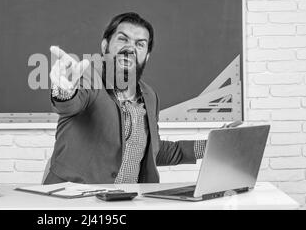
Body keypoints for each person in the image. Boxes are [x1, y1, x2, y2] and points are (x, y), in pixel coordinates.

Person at [44, 12, 207, 184]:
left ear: (147, 56)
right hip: (77, 200)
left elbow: (152, 151)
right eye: (123, 39)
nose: (130, 48)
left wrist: (213, 144)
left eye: (140, 44)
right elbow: (69, 105)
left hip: (129, 201)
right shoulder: (90, 77)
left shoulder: (149, 95)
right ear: (105, 45)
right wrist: (64, 91)